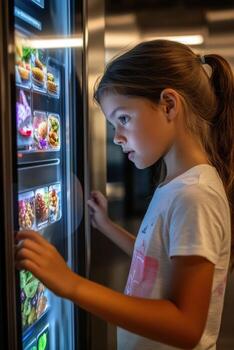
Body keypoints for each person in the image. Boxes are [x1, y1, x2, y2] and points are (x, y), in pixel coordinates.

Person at [16, 39, 234, 350]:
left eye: (123, 119)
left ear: (169, 105)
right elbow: (158, 261)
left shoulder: (194, 196)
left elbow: (187, 327)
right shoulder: (178, 184)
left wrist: (72, 285)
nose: (117, 137)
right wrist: (106, 226)